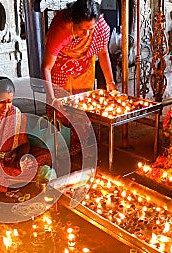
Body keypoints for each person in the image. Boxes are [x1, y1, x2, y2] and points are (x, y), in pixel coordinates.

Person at [41, 0, 116, 155]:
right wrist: (52, 98)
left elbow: (103, 53)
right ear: (74, 22)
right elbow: (46, 67)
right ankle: (62, 146)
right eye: (83, 29)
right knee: (62, 108)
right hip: (60, 65)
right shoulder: (61, 31)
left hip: (84, 64)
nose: (87, 34)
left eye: (91, 28)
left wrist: (110, 82)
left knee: (84, 105)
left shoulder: (100, 27)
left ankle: (83, 142)